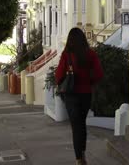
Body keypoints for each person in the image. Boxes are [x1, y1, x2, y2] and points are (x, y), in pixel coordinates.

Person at [55, 28, 103, 165]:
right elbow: (99, 74)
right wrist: (89, 81)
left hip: (71, 95)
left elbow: (58, 75)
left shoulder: (67, 55)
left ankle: (79, 159)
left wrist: (61, 84)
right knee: (81, 123)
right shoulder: (91, 54)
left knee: (76, 126)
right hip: (85, 94)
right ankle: (82, 154)